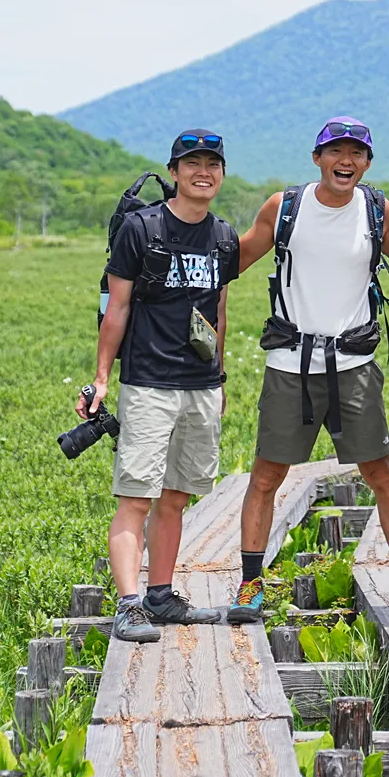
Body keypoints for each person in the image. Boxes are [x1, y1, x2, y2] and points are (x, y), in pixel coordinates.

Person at [226, 117, 389, 623]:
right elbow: (230, 264)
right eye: (336, 150)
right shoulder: (285, 208)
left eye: (357, 152)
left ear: (368, 163)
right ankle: (249, 585)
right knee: (267, 474)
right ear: (317, 157)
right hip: (289, 363)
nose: (346, 160)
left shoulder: (377, 210)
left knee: (380, 472)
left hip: (354, 363)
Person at [77, 130, 240, 642]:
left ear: (221, 173)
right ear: (173, 172)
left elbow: (219, 310)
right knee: (136, 496)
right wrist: (102, 378)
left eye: (212, 164)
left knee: (176, 497)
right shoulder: (140, 229)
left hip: (200, 384)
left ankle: (162, 596)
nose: (203, 172)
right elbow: (117, 307)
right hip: (148, 380)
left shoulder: (224, 236)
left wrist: (219, 375)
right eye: (192, 163)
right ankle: (129, 605)